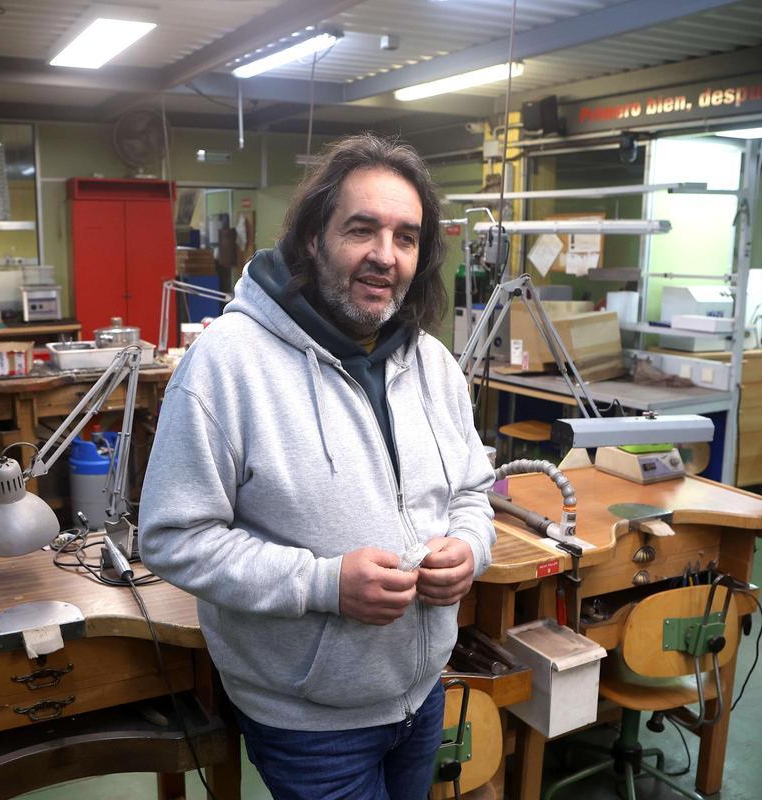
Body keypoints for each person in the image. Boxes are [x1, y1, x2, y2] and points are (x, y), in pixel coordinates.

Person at [139, 133, 496, 800]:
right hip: (309, 719)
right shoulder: (228, 364)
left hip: (421, 694)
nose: (384, 256)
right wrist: (322, 584)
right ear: (311, 238)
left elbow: (474, 492)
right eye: (362, 229)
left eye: (406, 237)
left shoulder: (434, 365)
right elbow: (172, 537)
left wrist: (470, 548)